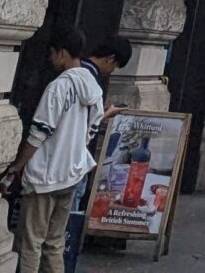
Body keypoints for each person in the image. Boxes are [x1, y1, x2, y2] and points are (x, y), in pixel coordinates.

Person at [7, 28, 105, 273]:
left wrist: (18, 166)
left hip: (46, 175)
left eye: (52, 53)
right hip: (72, 172)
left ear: (62, 52)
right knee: (54, 243)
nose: (50, 59)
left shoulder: (58, 87)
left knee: (30, 242)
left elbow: (39, 133)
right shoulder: (92, 86)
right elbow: (92, 128)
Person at [64, 34, 130, 270]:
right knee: (57, 229)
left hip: (64, 160)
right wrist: (107, 113)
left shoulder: (75, 71)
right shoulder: (89, 78)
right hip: (70, 161)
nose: (111, 71)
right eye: (114, 66)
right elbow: (86, 124)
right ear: (110, 59)